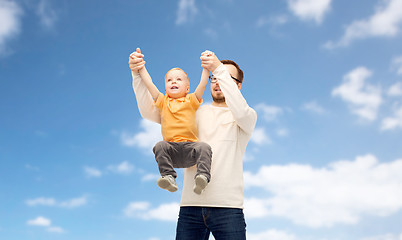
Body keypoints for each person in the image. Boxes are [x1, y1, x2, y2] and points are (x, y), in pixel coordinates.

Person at [128, 49, 257, 240]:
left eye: (226, 77)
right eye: (214, 77)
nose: (218, 81)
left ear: (238, 86)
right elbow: (149, 111)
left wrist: (218, 68)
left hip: (228, 208)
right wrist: (137, 73)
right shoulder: (193, 112)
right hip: (190, 207)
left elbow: (239, 108)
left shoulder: (245, 117)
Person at [129, 48, 213, 195]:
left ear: (187, 88)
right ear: (166, 87)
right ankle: (168, 177)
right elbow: (149, 84)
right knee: (159, 146)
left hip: (190, 149)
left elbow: (203, 85)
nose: (173, 81)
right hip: (171, 151)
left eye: (178, 79)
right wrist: (140, 68)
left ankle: (202, 177)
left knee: (204, 147)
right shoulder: (162, 101)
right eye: (169, 80)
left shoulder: (191, 100)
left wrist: (206, 68)